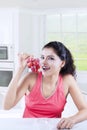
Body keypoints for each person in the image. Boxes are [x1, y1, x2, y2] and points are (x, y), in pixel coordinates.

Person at [3, 41, 87, 129]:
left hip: (53, 127)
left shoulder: (67, 80)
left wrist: (72, 119)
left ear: (62, 63)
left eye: (51, 58)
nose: (43, 62)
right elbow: (6, 106)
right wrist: (20, 69)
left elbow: (85, 110)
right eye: (42, 57)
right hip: (28, 127)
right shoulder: (31, 78)